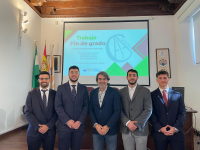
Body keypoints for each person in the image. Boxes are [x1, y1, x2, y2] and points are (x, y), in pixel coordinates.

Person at [55, 65, 89, 150]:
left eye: (76, 72)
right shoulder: (61, 88)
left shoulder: (84, 88)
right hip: (64, 126)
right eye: (72, 72)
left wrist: (79, 121)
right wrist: (67, 121)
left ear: (79, 74)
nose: (74, 74)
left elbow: (86, 106)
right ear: (68, 74)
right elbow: (58, 106)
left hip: (78, 126)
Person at [150, 70, 186, 150]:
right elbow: (151, 113)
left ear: (168, 79)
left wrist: (175, 128)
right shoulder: (151, 95)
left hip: (176, 133)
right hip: (160, 134)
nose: (163, 80)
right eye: (160, 78)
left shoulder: (178, 95)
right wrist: (160, 128)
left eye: (165, 78)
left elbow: (182, 112)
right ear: (157, 80)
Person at [119, 69, 152, 150]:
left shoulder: (145, 91)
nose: (132, 77)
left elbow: (148, 109)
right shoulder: (121, 92)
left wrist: (136, 124)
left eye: (134, 75)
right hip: (126, 128)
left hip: (141, 129)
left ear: (137, 77)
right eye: (130, 75)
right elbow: (118, 109)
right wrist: (127, 122)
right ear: (127, 77)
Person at [25, 71, 58, 150]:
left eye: (46, 78)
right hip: (34, 130)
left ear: (49, 80)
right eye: (42, 78)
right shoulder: (31, 94)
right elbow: (28, 112)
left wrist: (48, 126)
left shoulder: (55, 94)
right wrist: (37, 126)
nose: (44, 80)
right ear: (39, 80)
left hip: (50, 131)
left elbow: (57, 112)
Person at [89, 71, 121, 150]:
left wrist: (107, 126)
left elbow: (117, 111)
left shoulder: (114, 92)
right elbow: (90, 110)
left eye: (104, 79)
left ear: (108, 80)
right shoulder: (92, 93)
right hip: (97, 129)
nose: (102, 81)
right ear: (97, 81)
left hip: (110, 129)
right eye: (100, 79)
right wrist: (96, 125)